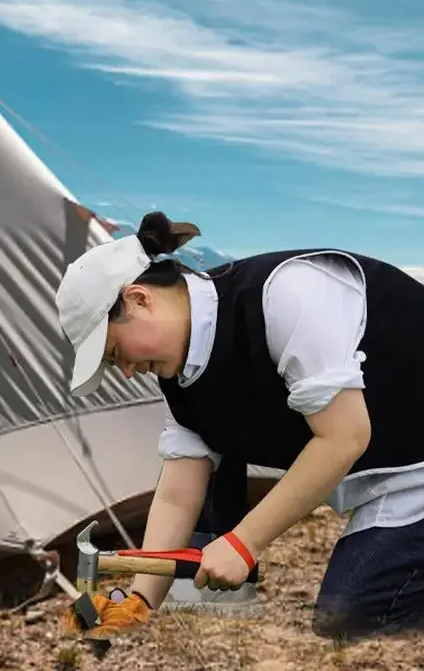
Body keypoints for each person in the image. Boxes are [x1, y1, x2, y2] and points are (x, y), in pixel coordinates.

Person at [55, 211, 424, 642]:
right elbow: (177, 494)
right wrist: (140, 602)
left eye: (115, 352)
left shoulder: (287, 294)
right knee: (349, 619)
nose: (127, 371)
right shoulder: (182, 378)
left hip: (413, 471)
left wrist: (243, 542)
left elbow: (344, 437)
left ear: (138, 299)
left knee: (358, 621)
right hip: (390, 477)